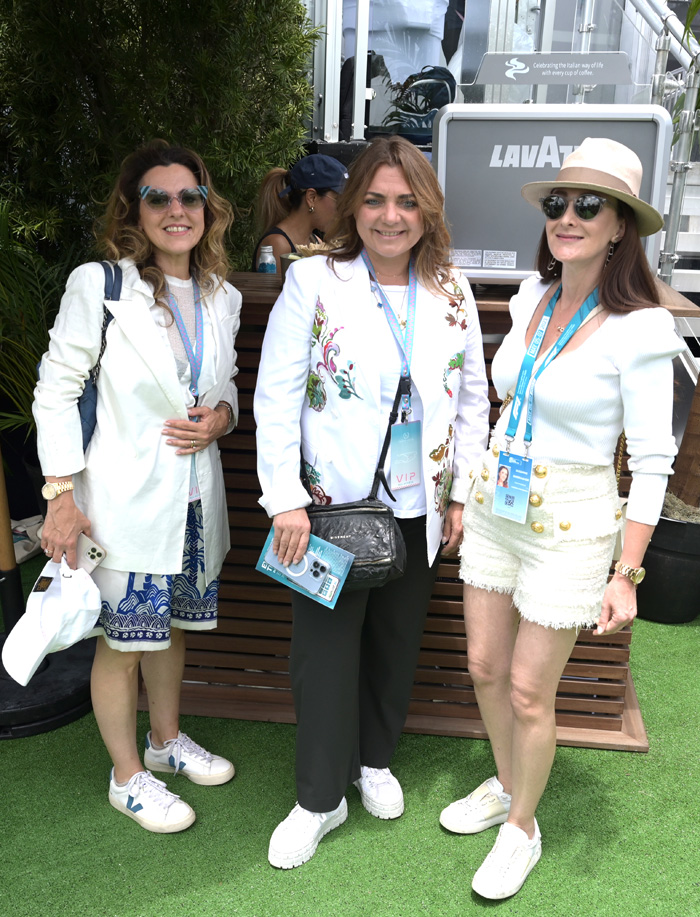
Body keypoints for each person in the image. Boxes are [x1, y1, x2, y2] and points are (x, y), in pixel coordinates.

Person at [439, 138, 683, 899]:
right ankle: (511, 785)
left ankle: (522, 828)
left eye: (589, 205)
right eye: (558, 203)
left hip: (573, 521)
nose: (568, 217)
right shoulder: (528, 297)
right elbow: (506, 397)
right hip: (497, 503)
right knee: (482, 666)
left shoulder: (642, 328)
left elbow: (651, 461)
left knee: (524, 690)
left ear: (621, 227)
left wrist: (628, 572)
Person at [254, 134, 490, 869]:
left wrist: (461, 494)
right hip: (328, 509)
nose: (391, 216)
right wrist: (284, 498)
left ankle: (375, 760)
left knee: (396, 642)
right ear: (354, 208)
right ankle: (319, 799)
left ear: (427, 211)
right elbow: (275, 395)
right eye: (378, 200)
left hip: (420, 504)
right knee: (321, 655)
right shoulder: (315, 281)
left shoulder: (451, 287)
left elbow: (474, 400)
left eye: (407, 201)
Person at [33, 141, 242, 833]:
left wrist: (221, 417)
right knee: (123, 644)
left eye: (190, 197)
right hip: (121, 498)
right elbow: (56, 391)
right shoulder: (102, 286)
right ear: (134, 208)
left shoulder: (222, 295)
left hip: (191, 503)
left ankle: (164, 740)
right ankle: (128, 776)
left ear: (208, 209)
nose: (177, 210)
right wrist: (60, 494)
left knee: (171, 628)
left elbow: (227, 389)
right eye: (160, 197)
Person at [251, 153, 349, 272]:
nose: (344, 209)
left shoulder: (316, 241)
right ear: (311, 198)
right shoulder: (278, 244)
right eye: (339, 200)